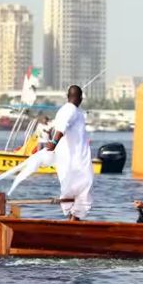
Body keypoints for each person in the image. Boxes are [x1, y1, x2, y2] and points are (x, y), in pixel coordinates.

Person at [46, 85, 95, 221]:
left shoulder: (69, 110)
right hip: (75, 160)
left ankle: (73, 221)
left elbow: (57, 128)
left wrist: (53, 141)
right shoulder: (70, 110)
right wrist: (54, 143)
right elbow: (61, 128)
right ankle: (73, 222)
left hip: (74, 159)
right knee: (83, 187)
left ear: (68, 97)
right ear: (80, 98)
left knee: (76, 189)